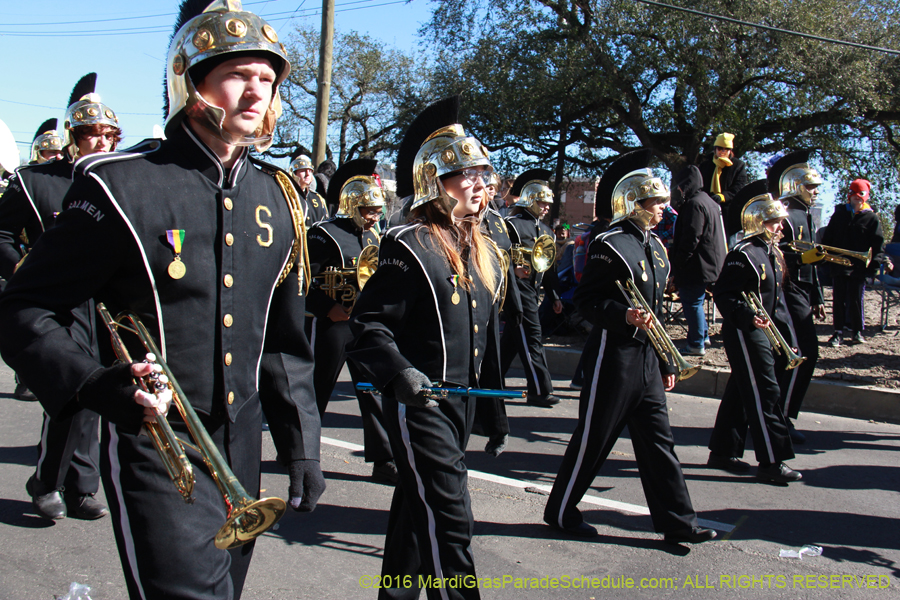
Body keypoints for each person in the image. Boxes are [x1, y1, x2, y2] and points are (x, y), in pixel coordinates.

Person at [0, 2, 324, 597]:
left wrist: (302, 444)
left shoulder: (279, 198)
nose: (257, 93)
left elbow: (284, 343)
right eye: (238, 76)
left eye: (267, 79)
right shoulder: (120, 183)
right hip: (159, 443)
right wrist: (94, 384)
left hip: (243, 443)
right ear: (190, 81)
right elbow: (24, 310)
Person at [347, 96, 502, 600]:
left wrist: (491, 412)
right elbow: (368, 325)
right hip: (421, 406)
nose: (477, 186)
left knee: (415, 519)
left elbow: (484, 335)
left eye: (481, 175)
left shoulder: (480, 245)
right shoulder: (407, 242)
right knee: (451, 523)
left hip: (460, 402)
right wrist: (398, 373)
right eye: (464, 176)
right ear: (435, 184)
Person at [543, 150, 716, 545]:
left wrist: (665, 360)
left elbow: (654, 309)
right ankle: (561, 509)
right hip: (615, 356)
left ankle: (678, 522)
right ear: (634, 203)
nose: (662, 208)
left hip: (647, 360)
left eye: (662, 202)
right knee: (594, 438)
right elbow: (587, 301)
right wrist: (623, 316)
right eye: (655, 203)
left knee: (659, 442)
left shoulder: (656, 247)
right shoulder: (610, 243)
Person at [0, 75, 123, 521]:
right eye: (91, 134)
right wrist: (21, 269)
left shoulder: (119, 181)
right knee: (69, 394)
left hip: (104, 304)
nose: (101, 142)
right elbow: (1, 233)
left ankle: (82, 487)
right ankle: (48, 480)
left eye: (110, 135)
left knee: (104, 394)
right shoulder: (35, 182)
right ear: (71, 138)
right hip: (55, 303)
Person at [305, 158, 396, 483]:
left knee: (372, 389)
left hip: (361, 323)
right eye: (369, 210)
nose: (374, 217)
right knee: (317, 388)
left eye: (377, 210)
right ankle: (301, 455)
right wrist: (326, 307)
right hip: (331, 323)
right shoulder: (323, 234)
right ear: (352, 205)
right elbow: (303, 278)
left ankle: (384, 459)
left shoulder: (374, 237)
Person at [708, 185, 802, 485]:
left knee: (741, 390)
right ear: (758, 223)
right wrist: (748, 316)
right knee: (765, 392)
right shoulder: (744, 253)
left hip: (764, 332)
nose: (780, 227)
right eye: (775, 222)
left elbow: (776, 298)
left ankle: (723, 451)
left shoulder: (771, 252)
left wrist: (787, 336)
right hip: (745, 331)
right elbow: (724, 293)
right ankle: (772, 461)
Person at [768, 151, 826, 444]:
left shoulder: (806, 212)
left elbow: (809, 258)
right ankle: (780, 415)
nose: (815, 192)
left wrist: (817, 295)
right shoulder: (786, 211)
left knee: (805, 352)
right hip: (786, 289)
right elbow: (776, 252)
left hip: (802, 290)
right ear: (796, 185)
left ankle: (784, 414)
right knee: (799, 352)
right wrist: (804, 258)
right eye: (811, 186)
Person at [499, 169, 562, 407]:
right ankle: (539, 389)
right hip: (516, 289)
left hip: (533, 290)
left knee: (514, 341)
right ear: (530, 200)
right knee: (532, 337)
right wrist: (512, 269)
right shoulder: (511, 225)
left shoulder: (546, 231)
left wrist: (554, 295)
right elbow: (498, 256)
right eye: (542, 202)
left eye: (548, 203)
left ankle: (491, 381)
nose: (546, 207)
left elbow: (548, 267)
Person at [670, 164, 727, 356]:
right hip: (711, 262)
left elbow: (691, 237)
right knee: (697, 301)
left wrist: (678, 261)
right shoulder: (710, 202)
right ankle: (702, 336)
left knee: (692, 301)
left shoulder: (694, 204)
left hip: (697, 264)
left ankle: (696, 343)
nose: (678, 189)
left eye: (680, 185)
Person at [822, 179, 885, 345]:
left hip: (859, 268)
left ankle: (857, 331)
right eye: (854, 194)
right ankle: (838, 332)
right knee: (838, 299)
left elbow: (878, 246)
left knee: (856, 300)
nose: (857, 197)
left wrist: (873, 268)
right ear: (849, 195)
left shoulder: (871, 218)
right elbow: (828, 238)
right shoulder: (839, 214)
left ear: (866, 197)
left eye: (861, 194)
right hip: (839, 266)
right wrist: (826, 256)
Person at [698, 132, 748, 209]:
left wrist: (723, 196)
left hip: (728, 208)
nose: (723, 152)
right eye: (720, 148)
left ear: (730, 151)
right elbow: (699, 185)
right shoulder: (705, 165)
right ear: (715, 149)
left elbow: (739, 186)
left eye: (727, 149)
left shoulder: (738, 165)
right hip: (707, 206)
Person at [289, 152, 329, 225]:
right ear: (294, 173)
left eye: (310, 171)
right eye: (303, 170)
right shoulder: (286, 195)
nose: (307, 174)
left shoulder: (318, 199)